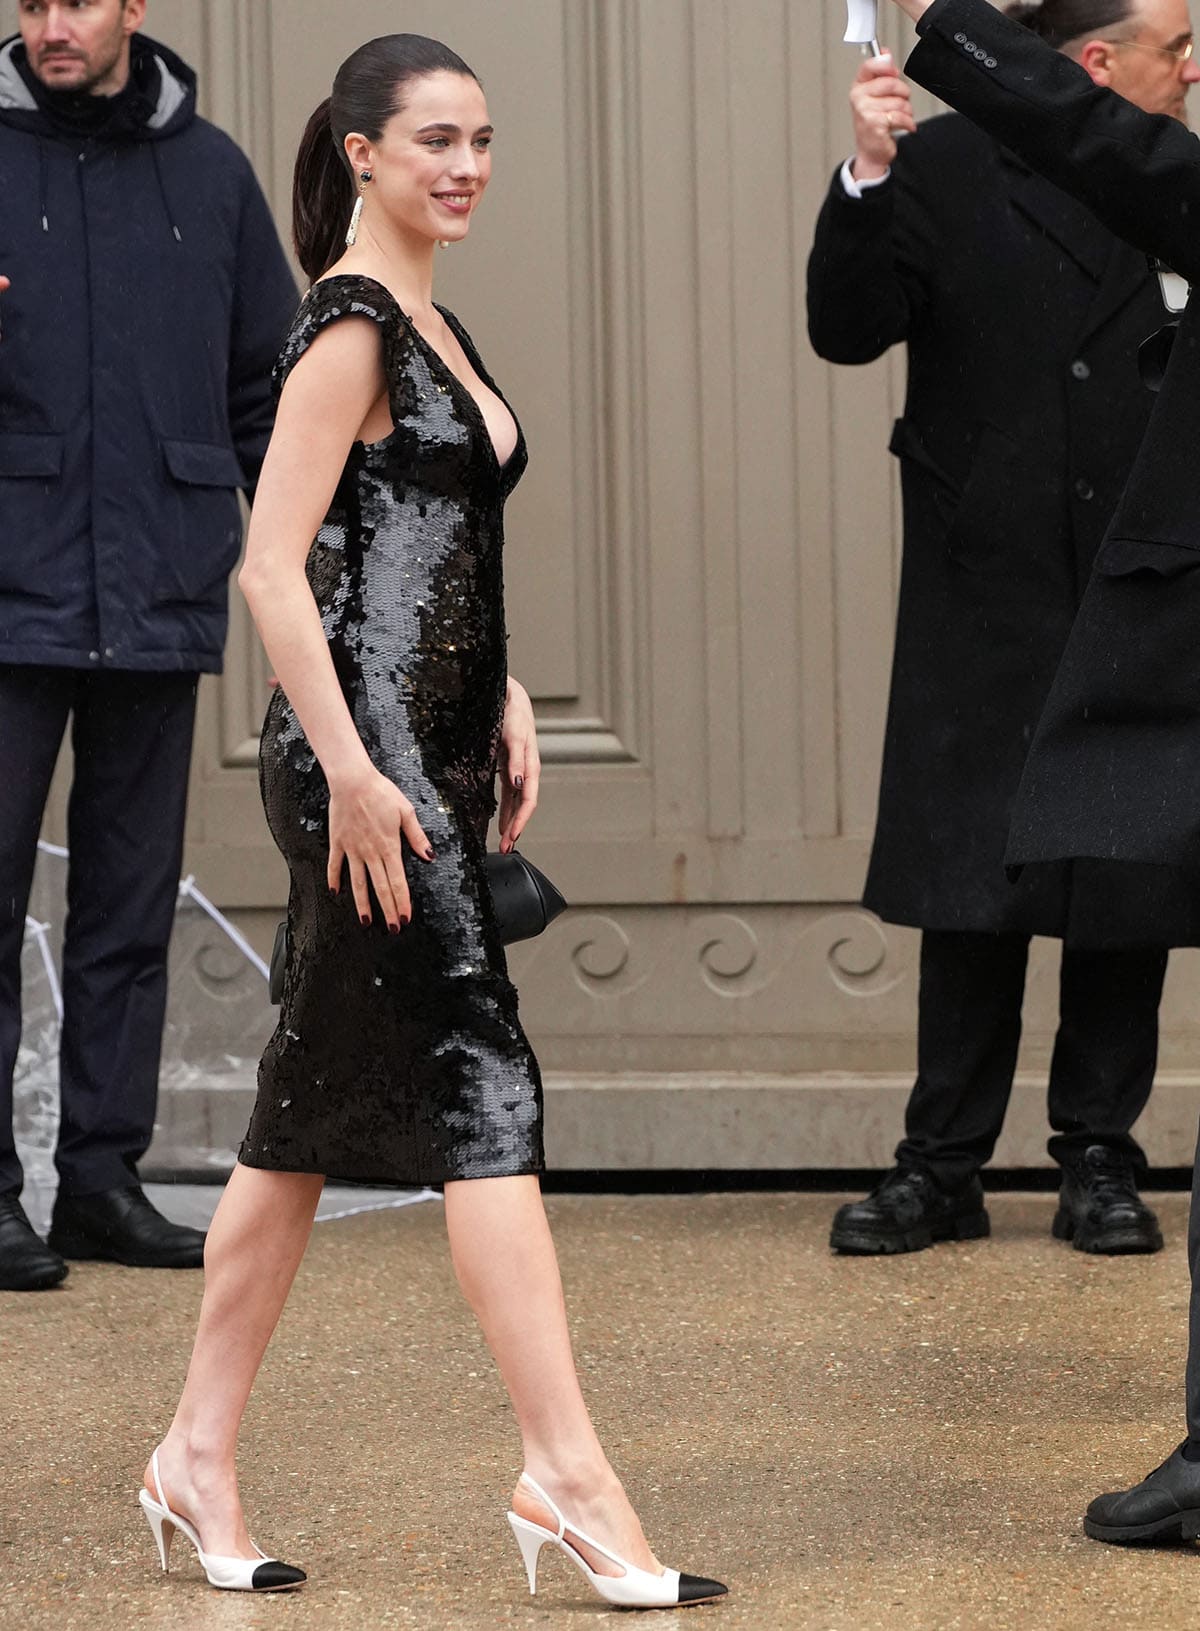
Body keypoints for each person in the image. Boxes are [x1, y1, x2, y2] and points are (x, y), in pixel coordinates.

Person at [133, 33, 728, 1606]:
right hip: (364, 758)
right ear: (362, 148)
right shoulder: (347, 325)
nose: (465, 163)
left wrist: (509, 685)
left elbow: (427, 539)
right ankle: (571, 1472)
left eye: (483, 138)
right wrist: (349, 765)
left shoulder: (434, 320)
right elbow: (275, 565)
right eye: (436, 139)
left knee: (297, 1123)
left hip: (435, 743)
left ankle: (194, 1450)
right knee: (479, 1071)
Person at [808, 0, 1200, 1259]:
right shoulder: (949, 161)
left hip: (1132, 578)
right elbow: (844, 325)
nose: (1192, 69)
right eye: (1174, 47)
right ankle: (942, 1164)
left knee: (1120, 880)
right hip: (989, 582)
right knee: (971, 883)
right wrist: (868, 175)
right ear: (1094, 63)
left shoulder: (1172, 182)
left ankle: (1099, 1156)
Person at [883, 0, 1200, 1547]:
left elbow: (1101, 143)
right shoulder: (1034, 168)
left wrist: (948, 23)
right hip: (1050, 605)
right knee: (1005, 883)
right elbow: (1089, 136)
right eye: (1180, 36)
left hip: (1151, 629)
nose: (1196, 65)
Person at [0, 0, 297, 1292]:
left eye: (77, 1)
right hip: (8, 584)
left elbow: (266, 392)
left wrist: (312, 571)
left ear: (135, 9)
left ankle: (101, 1178)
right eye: (30, 3)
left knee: (127, 905)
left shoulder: (213, 174)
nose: (51, 25)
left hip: (163, 582)